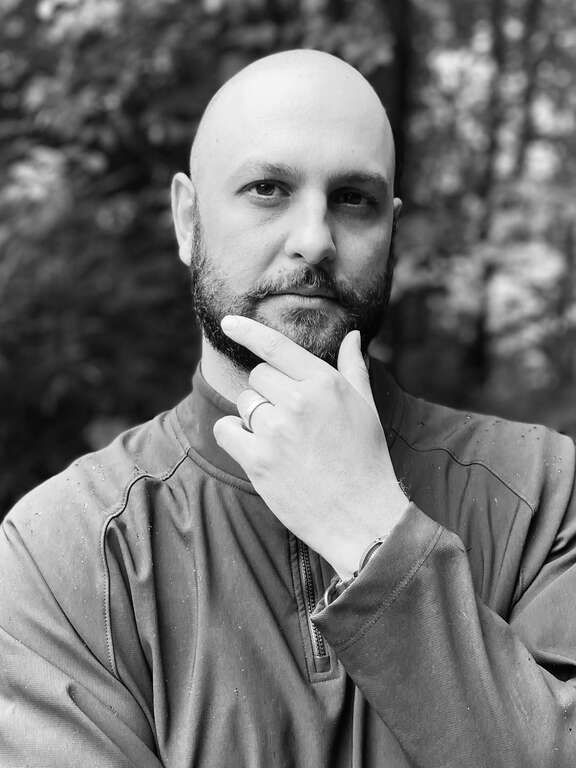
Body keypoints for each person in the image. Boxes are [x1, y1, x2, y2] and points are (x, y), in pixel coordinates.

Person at [1, 49, 576, 768]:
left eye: (353, 199)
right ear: (188, 219)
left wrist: (370, 528)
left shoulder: (541, 491)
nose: (314, 241)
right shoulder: (65, 548)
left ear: (392, 229)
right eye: (268, 189)